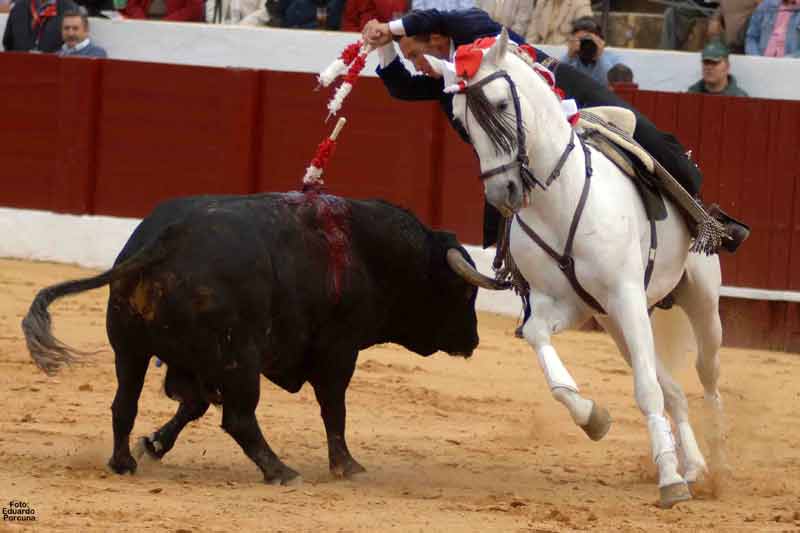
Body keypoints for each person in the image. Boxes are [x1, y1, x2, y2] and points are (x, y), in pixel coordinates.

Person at [363, 7, 748, 254]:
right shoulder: (444, 80)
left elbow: (443, 18)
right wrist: (386, 48)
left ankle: (704, 218)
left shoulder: (472, 32)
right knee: (498, 212)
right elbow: (399, 86)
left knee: (645, 136)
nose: (416, 65)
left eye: (414, 55)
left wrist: (391, 26)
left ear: (436, 39)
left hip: (570, 93)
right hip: (522, 151)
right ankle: (509, 273)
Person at [560, 16, 623, 85]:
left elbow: (609, 84)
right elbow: (556, 78)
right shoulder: (572, 59)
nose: (586, 44)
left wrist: (599, 56)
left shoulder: (612, 59)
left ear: (600, 40)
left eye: (589, 40)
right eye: (582, 40)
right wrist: (569, 55)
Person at [3, 0, 78, 52]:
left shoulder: (70, 9)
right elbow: (8, 44)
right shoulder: (18, 8)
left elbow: (75, 48)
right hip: (21, 68)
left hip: (54, 70)